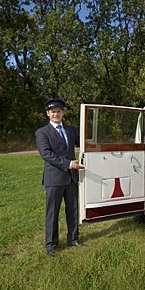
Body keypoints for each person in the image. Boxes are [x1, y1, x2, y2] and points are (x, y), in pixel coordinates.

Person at [35, 99, 85, 256]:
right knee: (52, 212)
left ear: (63, 112)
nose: (56, 114)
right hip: (54, 179)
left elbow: (84, 143)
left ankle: (73, 239)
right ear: (48, 114)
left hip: (71, 178)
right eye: (53, 112)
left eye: (59, 111)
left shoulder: (71, 130)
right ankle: (51, 244)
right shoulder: (42, 133)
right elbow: (47, 154)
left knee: (73, 209)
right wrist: (70, 164)